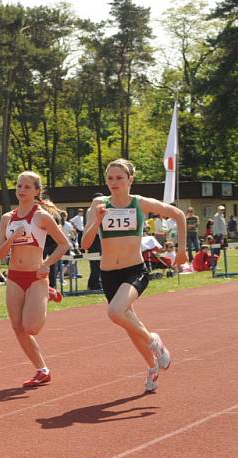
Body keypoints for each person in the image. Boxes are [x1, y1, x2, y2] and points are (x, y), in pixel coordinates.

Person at [81, 159, 187, 394]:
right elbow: (85, 244)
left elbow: (178, 214)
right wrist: (97, 220)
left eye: (119, 178)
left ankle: (154, 341)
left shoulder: (139, 204)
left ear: (130, 180)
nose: (114, 183)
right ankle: (151, 367)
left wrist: (181, 249)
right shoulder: (99, 204)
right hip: (108, 274)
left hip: (134, 271)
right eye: (110, 178)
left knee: (115, 312)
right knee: (130, 327)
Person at [0, 171, 70, 387]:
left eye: (27, 187)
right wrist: (12, 238)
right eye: (19, 186)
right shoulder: (6, 218)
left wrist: (46, 265)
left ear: (37, 191)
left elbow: (64, 244)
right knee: (18, 327)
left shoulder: (41, 216)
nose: (21, 190)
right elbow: (1, 255)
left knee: (31, 327)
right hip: (14, 277)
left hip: (36, 276)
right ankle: (42, 369)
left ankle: (45, 294)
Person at [83, 193, 103, 291]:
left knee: (97, 262)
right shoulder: (92, 210)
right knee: (95, 262)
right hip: (94, 238)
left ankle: (93, 283)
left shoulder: (91, 209)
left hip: (98, 237)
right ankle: (94, 284)